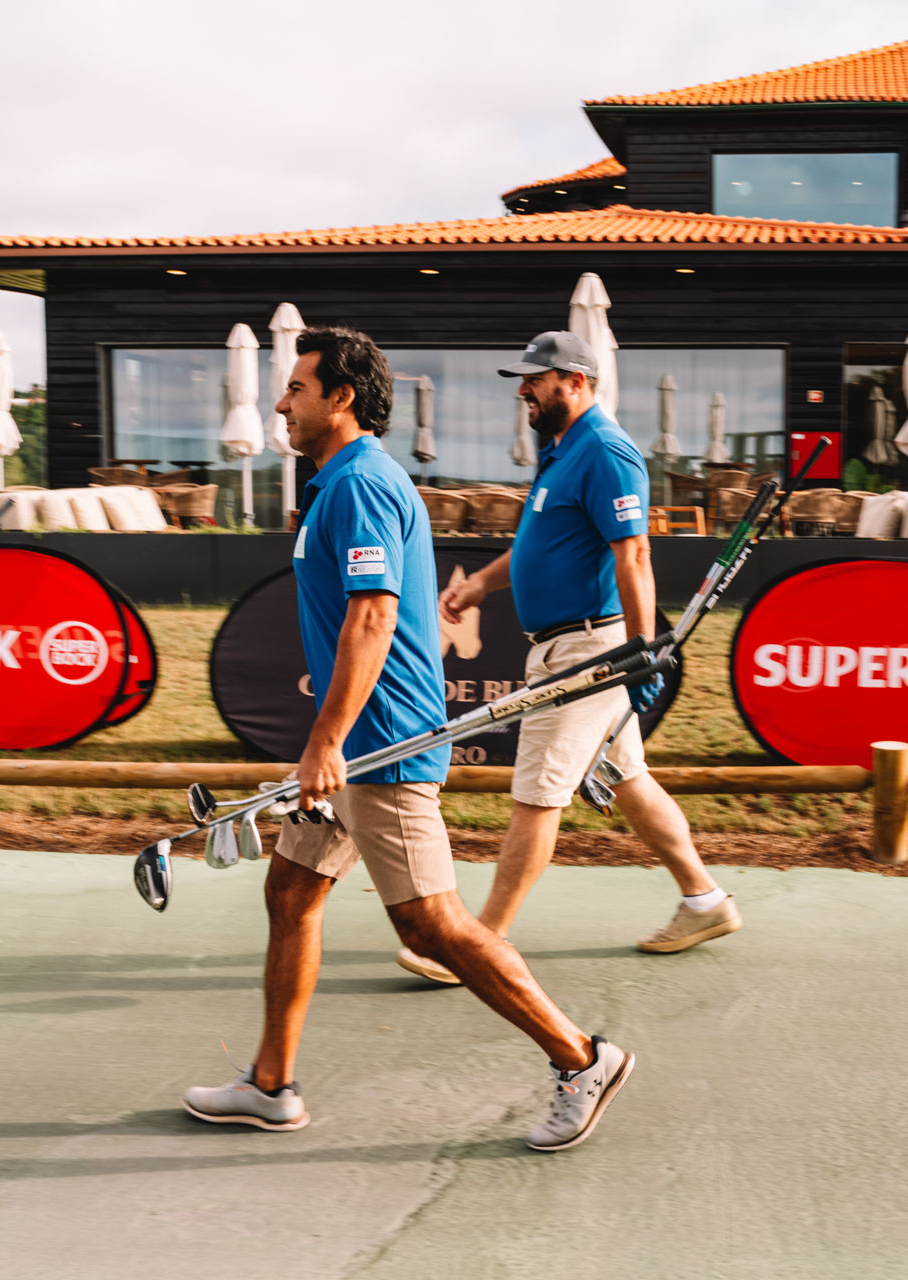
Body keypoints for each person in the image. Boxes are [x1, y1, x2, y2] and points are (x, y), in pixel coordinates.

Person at [183, 325, 633, 1150]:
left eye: (297, 389)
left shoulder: (361, 483)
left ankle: (582, 1057)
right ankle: (271, 1084)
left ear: (341, 398)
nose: (281, 404)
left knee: (431, 925)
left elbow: (374, 615)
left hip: (382, 746)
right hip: (357, 743)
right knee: (291, 893)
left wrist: (327, 740)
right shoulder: (337, 481)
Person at [395, 330, 738, 986]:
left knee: (537, 794)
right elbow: (541, 545)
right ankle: (705, 900)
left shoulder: (605, 450)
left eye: (536, 378)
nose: (523, 389)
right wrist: (479, 584)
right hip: (570, 644)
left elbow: (633, 555)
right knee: (627, 777)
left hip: (589, 651)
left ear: (576, 381)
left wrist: (642, 651)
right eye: (523, 379)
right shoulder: (561, 451)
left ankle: (480, 941)